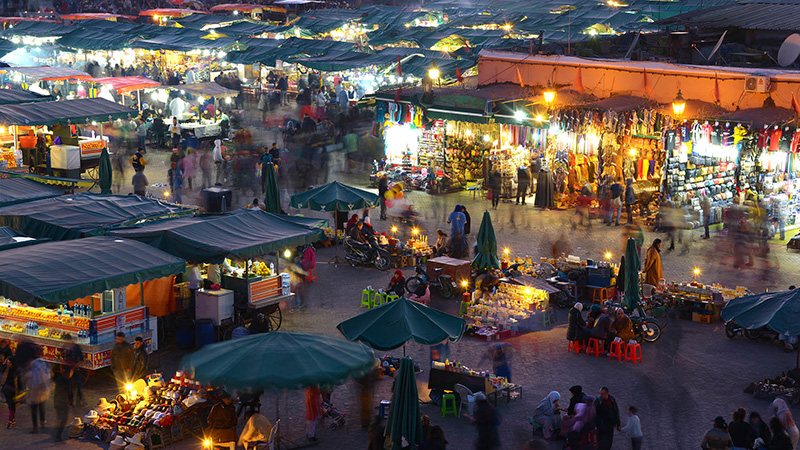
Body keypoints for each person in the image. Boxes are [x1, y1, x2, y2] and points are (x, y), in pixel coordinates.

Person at [24, 357, 51, 434]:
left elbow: (34, 380)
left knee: (34, 409)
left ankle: (35, 427)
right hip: (43, 392)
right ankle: (42, 422)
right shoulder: (43, 365)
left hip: (35, 392)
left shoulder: (34, 367)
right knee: (41, 407)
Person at [63, 334, 84, 407]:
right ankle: (70, 402)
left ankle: (80, 401)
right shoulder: (64, 348)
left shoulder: (76, 347)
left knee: (79, 386)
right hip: (67, 370)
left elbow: (81, 359)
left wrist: (75, 367)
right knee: (69, 388)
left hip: (75, 369)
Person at [52, 365, 70, 442]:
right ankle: (57, 435)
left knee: (60, 418)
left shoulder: (60, 380)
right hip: (62, 402)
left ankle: (57, 434)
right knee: (63, 419)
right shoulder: (63, 380)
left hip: (58, 401)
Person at [1, 354, 18, 429]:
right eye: (7, 362)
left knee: (11, 405)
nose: (8, 364)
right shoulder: (7, 369)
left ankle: (11, 420)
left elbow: (18, 382)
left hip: (13, 390)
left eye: (9, 363)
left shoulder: (16, 371)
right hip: (7, 389)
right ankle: (12, 419)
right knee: (10, 405)